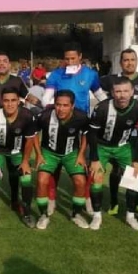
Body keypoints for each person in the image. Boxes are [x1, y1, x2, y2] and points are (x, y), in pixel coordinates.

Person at [42, 42, 107, 215]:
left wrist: (108, 108)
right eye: (66, 58)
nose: (70, 61)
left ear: (80, 57)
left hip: (83, 125)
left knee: (83, 164)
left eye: (73, 58)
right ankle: (52, 199)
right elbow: (45, 99)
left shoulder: (91, 74)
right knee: (54, 165)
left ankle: (86, 199)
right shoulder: (56, 75)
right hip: (60, 123)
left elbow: (100, 95)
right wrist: (56, 109)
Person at [100, 48, 138, 216]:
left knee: (137, 169)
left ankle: (136, 202)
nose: (129, 62)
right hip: (118, 135)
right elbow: (96, 92)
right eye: (126, 60)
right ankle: (113, 202)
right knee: (117, 170)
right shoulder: (111, 80)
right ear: (120, 63)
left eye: (132, 59)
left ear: (137, 61)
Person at [88, 77, 138, 231]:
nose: (122, 95)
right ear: (112, 93)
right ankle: (96, 216)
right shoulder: (101, 108)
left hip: (123, 147)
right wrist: (94, 158)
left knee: (133, 179)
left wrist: (137, 159)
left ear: (132, 92)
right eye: (118, 91)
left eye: (126, 91)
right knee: (96, 179)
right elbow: (92, 134)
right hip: (102, 147)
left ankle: (130, 216)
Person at [28, 90, 90, 230]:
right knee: (41, 180)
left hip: (71, 153)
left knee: (80, 181)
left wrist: (81, 154)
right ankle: (43, 215)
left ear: (72, 106)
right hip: (49, 153)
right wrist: (38, 154)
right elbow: (34, 134)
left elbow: (85, 135)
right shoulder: (44, 116)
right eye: (58, 104)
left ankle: (76, 214)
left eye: (65, 105)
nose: (61, 109)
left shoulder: (81, 117)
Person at [0, 88, 37, 228]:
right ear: (2, 101)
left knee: (26, 177)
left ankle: (26, 213)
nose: (10, 104)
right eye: (6, 101)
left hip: (18, 152)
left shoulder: (27, 115)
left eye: (13, 100)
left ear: (19, 101)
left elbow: (30, 141)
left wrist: (26, 161)